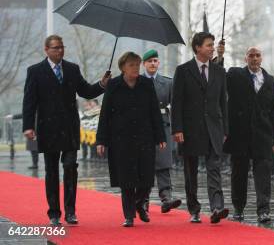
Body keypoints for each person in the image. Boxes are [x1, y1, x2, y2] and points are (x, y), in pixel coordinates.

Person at [22, 35, 110, 226]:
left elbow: (86, 91)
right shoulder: (35, 71)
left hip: (69, 128)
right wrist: (28, 126)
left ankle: (71, 212)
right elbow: (29, 101)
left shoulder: (72, 69)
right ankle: (54, 213)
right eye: (55, 48)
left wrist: (102, 84)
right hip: (48, 128)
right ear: (46, 49)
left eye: (62, 47)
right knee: (52, 171)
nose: (59, 51)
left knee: (70, 167)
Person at [96, 52, 166, 227]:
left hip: (145, 137)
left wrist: (160, 136)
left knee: (147, 178)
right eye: (131, 65)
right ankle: (129, 215)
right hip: (121, 139)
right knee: (127, 179)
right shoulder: (113, 85)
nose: (135, 68)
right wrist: (101, 140)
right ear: (123, 68)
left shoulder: (146, 84)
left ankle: (139, 203)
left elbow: (154, 112)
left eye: (137, 64)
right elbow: (105, 114)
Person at [171, 32, 229, 224]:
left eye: (212, 45)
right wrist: (177, 129)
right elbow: (176, 102)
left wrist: (225, 130)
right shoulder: (183, 70)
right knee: (191, 172)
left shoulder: (219, 71)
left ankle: (217, 207)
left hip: (214, 128)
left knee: (214, 168)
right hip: (190, 129)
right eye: (208, 45)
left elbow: (223, 103)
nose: (212, 47)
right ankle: (194, 209)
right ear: (197, 47)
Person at [224, 47, 274, 223]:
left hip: (263, 135)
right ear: (245, 58)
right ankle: (239, 208)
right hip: (240, 134)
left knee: (263, 174)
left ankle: (263, 210)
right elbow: (217, 74)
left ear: (262, 58)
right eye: (251, 56)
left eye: (257, 56)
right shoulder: (235, 75)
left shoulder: (271, 82)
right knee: (239, 174)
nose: (255, 59)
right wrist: (219, 55)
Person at [141, 49, 182, 213]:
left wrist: (177, 127)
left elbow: (176, 105)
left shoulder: (167, 82)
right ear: (144, 64)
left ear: (158, 63)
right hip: (143, 127)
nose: (152, 64)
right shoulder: (138, 81)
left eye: (155, 61)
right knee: (144, 164)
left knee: (164, 163)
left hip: (163, 125)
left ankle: (166, 198)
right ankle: (143, 200)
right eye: (149, 61)